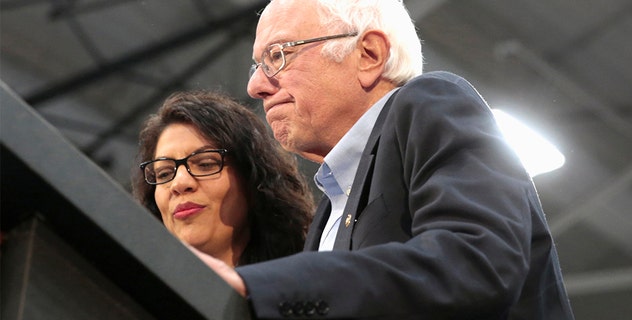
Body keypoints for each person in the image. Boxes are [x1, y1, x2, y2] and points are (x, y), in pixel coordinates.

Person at [192, 0, 576, 319]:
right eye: (258, 64)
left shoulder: (430, 102)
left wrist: (258, 287)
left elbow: (474, 262)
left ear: (369, 54)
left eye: (278, 55)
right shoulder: (326, 214)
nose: (255, 85)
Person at [131, 90, 314, 267]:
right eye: (164, 174)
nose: (179, 183)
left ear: (253, 178)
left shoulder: (308, 284)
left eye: (205, 164)